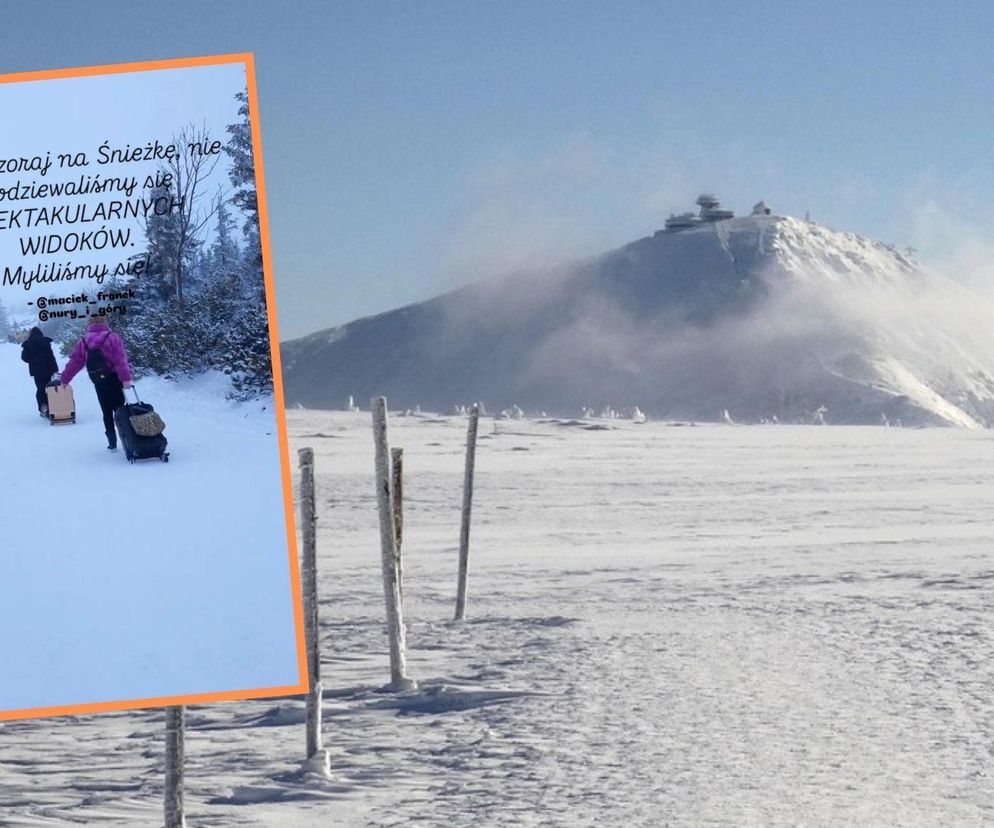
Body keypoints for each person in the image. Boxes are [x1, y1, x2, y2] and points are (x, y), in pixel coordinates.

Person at [60, 317, 134, 450]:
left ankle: (112, 444)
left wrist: (65, 379)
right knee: (119, 410)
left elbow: (75, 363)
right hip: (114, 379)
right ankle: (127, 439)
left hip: (99, 381)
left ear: (89, 325)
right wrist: (125, 378)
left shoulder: (84, 340)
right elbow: (120, 360)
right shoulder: (113, 337)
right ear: (105, 323)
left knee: (106, 412)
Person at [20, 326, 59, 416]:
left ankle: (43, 407)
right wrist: (55, 369)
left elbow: (25, 358)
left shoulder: (27, 344)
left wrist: (33, 359)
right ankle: (54, 406)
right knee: (51, 387)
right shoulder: (45, 342)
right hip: (49, 369)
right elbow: (51, 356)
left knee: (41, 389)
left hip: (37, 371)